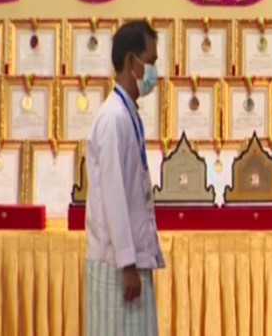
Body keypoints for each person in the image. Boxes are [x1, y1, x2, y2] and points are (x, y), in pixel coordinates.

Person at [84, 20, 164, 335]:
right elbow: (114, 195)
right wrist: (127, 263)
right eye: (151, 61)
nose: (155, 72)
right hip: (116, 265)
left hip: (132, 259)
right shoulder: (112, 119)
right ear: (132, 62)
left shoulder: (127, 113)